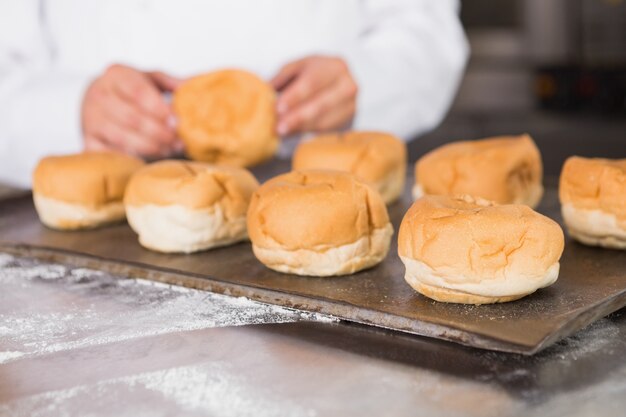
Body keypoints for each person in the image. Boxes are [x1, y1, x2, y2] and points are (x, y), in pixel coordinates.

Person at [0, 0, 468, 187]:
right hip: (92, 227)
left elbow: (425, 29)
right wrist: (69, 109)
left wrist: (366, 80)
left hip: (323, 193)